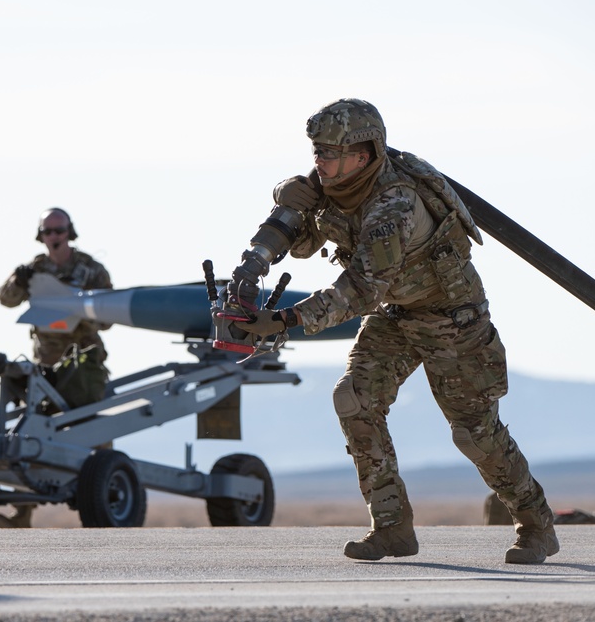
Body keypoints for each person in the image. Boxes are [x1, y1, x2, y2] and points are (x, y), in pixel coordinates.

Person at [231, 99, 558, 564]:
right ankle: (391, 529)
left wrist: (287, 319)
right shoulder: (335, 185)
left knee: (475, 433)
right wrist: (286, 205)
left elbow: (362, 288)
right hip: (397, 315)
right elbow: (305, 245)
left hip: (451, 318)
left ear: (362, 154)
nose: (317, 162)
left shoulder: (394, 202)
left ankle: (536, 525)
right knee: (354, 400)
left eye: (328, 153)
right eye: (315, 152)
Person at [0, 207, 113, 528]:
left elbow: (109, 316)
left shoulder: (90, 269)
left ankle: (107, 499)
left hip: (83, 362)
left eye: (59, 231)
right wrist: (17, 280)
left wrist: (78, 306)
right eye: (48, 232)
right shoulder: (35, 269)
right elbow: (5, 299)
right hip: (45, 365)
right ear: (41, 236)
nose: (54, 237)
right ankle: (23, 513)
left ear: (69, 232)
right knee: (32, 432)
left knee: (93, 429)